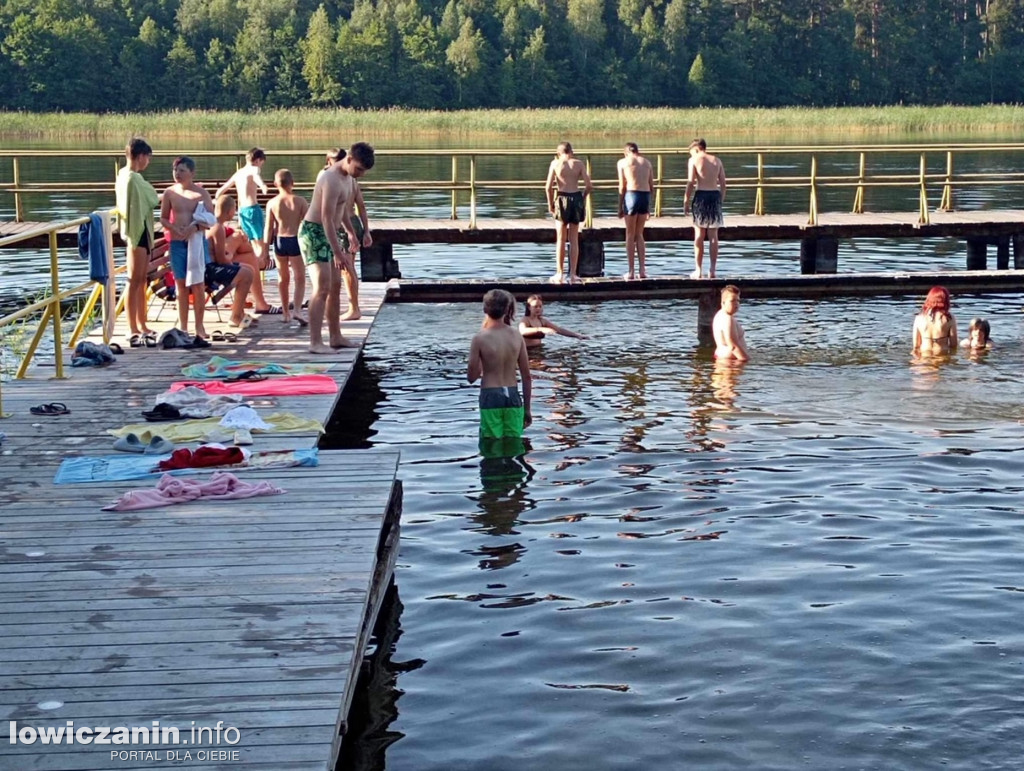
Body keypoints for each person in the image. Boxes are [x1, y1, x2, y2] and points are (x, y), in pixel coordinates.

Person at [299, 141, 375, 353]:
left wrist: (351, 232)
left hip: (331, 231)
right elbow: (325, 217)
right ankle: (315, 342)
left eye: (364, 171)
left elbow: (341, 211)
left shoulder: (349, 178)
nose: (361, 174)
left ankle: (335, 336)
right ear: (349, 159)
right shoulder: (329, 179)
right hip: (313, 232)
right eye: (359, 169)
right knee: (321, 288)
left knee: (335, 286)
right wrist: (337, 252)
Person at [159, 156, 215, 340]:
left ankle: (199, 326)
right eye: (175, 170)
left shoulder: (201, 194)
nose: (178, 174)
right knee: (180, 285)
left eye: (182, 170)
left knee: (198, 285)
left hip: (196, 241)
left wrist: (193, 227)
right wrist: (174, 228)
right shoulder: (170, 193)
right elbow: (163, 218)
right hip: (176, 242)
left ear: (192, 173)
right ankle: (183, 326)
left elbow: (211, 220)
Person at [214, 147, 277, 307]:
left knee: (247, 241)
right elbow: (256, 177)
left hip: (241, 211)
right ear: (258, 160)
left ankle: (253, 273)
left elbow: (224, 188)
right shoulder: (254, 169)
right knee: (259, 241)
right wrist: (263, 186)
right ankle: (261, 263)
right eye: (262, 162)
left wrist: (218, 195)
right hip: (252, 208)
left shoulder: (239, 172)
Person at [468, 289, 533, 444]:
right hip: (512, 394)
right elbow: (527, 376)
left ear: (485, 309)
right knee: (513, 443)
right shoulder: (517, 335)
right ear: (507, 309)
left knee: (492, 444)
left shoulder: (479, 338)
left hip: (491, 395)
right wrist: (527, 409)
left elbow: (471, 377)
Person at [115, 137, 160, 347]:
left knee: (142, 280)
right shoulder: (132, 178)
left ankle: (142, 323)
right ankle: (131, 326)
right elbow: (152, 197)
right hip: (136, 231)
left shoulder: (125, 175)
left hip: (138, 230)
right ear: (141, 156)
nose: (148, 162)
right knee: (134, 280)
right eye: (148, 158)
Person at [265, 169, 310, 325]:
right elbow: (308, 225)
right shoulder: (300, 201)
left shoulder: (272, 203)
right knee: (299, 277)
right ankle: (297, 310)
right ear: (293, 183)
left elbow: (268, 229)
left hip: (279, 242)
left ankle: (285, 312)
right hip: (295, 240)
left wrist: (265, 251)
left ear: (275, 184)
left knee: (283, 278)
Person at [206, 195, 257, 330]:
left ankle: (239, 312)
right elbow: (220, 259)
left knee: (249, 269)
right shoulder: (218, 228)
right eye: (234, 210)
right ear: (229, 212)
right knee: (245, 274)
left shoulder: (214, 224)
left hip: (211, 265)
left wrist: (233, 262)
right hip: (209, 270)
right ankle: (235, 317)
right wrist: (230, 261)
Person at [544, 141, 592, 284]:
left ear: (558, 152)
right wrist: (582, 198)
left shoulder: (556, 164)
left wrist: (551, 205)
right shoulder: (579, 164)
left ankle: (559, 273)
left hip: (562, 197)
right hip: (576, 197)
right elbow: (589, 186)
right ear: (571, 151)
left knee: (560, 238)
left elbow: (547, 187)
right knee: (574, 239)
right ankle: (573, 275)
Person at [684, 138, 727, 279]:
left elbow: (691, 182)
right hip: (714, 195)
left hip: (701, 195)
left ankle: (698, 270)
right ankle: (713, 270)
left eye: (691, 152)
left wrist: (686, 200)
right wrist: (721, 199)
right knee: (713, 236)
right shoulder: (717, 160)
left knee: (699, 235)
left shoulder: (694, 160)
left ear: (696, 149)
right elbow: (723, 183)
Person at [617, 142, 654, 280]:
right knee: (639, 234)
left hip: (631, 195)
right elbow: (652, 186)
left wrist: (620, 206)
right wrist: (650, 206)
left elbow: (622, 186)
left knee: (630, 234)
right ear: (637, 151)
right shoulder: (647, 163)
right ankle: (642, 270)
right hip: (644, 196)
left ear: (626, 152)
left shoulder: (623, 162)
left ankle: (631, 271)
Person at [519, 294, 586, 348]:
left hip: (538, 349)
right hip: (527, 351)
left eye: (540, 306)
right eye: (535, 306)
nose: (538, 309)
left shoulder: (542, 321)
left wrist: (577, 335)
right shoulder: (525, 320)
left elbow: (559, 330)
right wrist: (541, 329)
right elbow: (523, 331)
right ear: (529, 307)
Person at [912, 286, 957, 355]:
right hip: (942, 355)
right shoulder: (949, 318)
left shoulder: (919, 318)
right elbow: (953, 344)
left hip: (924, 355)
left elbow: (916, 345)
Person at [713, 284, 749, 361]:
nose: (736, 304)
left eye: (738, 300)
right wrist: (747, 360)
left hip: (723, 359)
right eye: (732, 300)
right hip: (730, 363)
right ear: (723, 302)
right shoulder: (727, 319)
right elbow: (733, 346)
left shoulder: (719, 315)